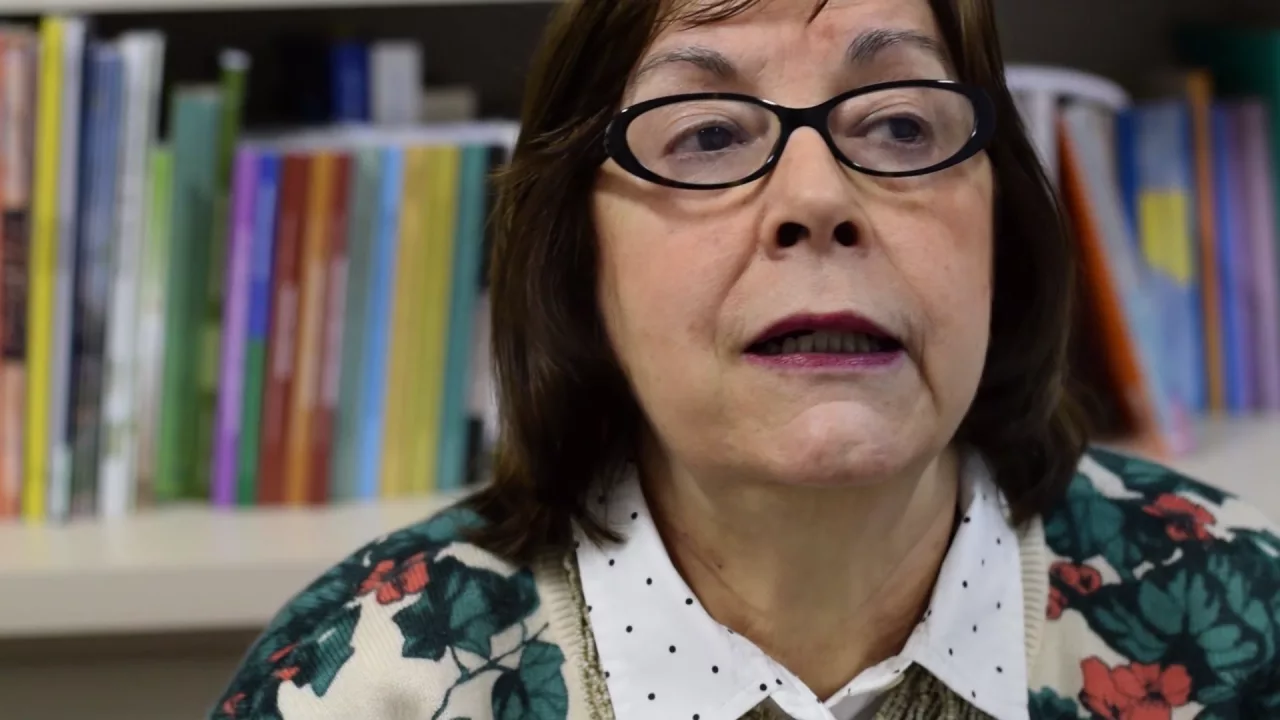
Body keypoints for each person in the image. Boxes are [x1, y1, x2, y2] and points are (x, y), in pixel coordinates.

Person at [211, 0, 1280, 718]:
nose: (816, 198)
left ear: (1001, 223)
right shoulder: (360, 682)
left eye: (900, 125)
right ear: (577, 254)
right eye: (709, 135)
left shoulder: (1247, 626)